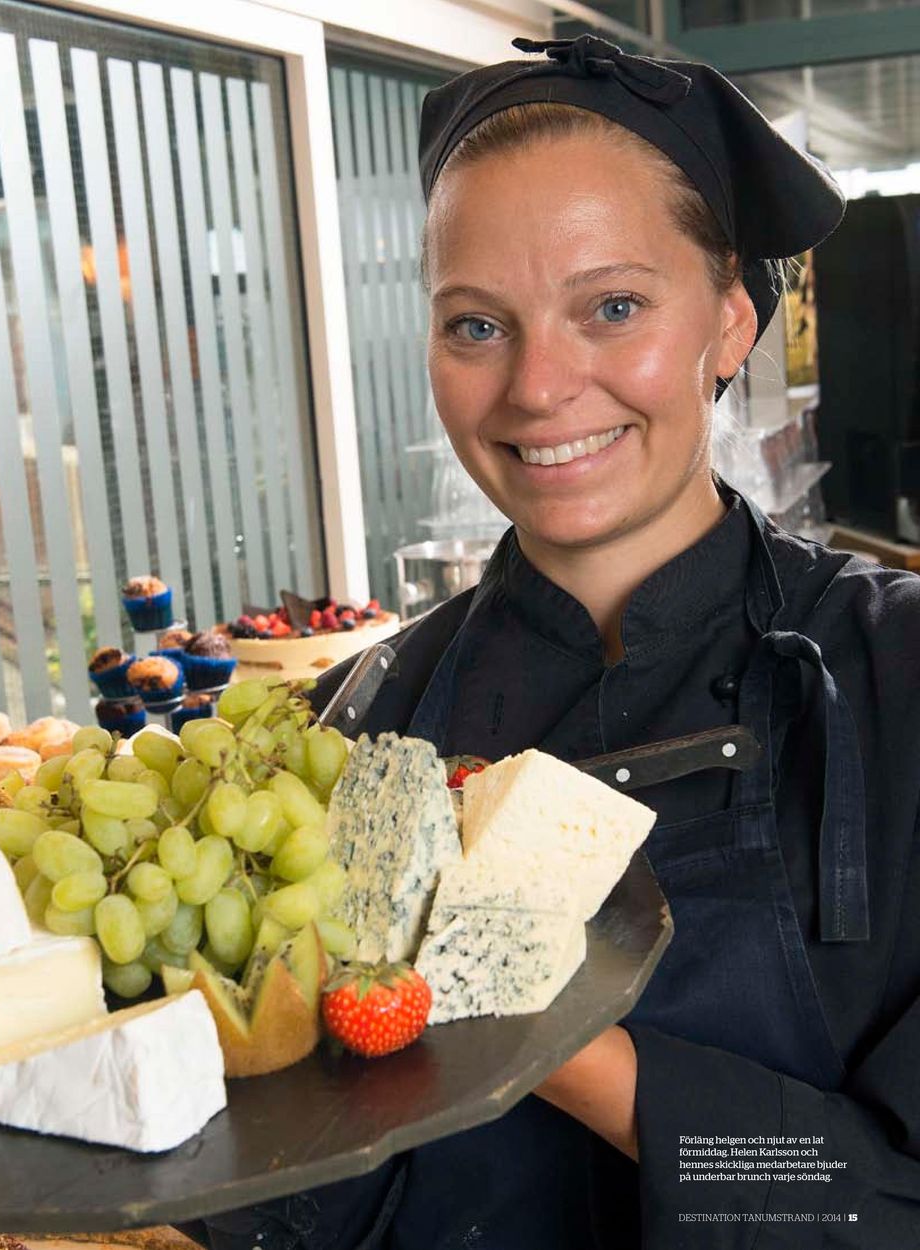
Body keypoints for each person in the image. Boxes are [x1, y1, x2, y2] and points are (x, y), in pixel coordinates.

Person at [194, 34, 920, 1248]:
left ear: (732, 321)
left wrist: (585, 1064)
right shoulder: (366, 718)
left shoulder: (895, 675)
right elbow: (304, 1184)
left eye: (614, 306)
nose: (537, 386)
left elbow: (883, 1196)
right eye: (476, 325)